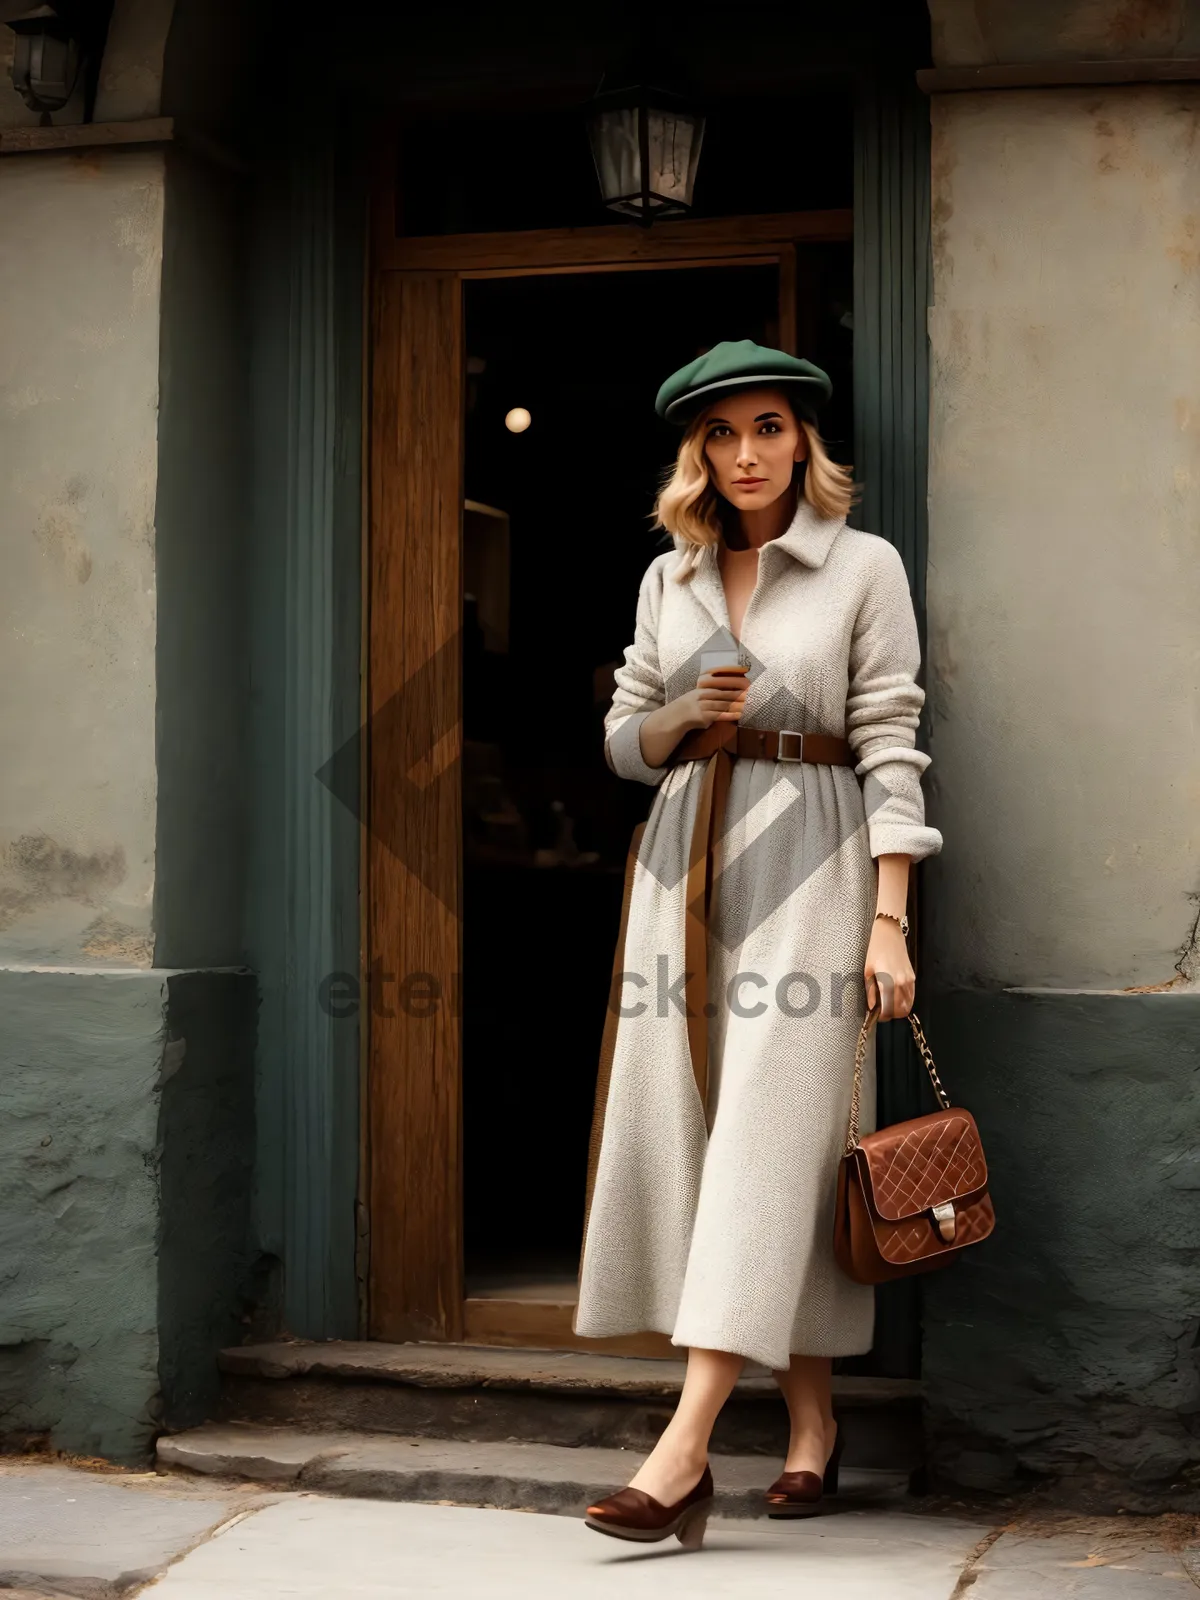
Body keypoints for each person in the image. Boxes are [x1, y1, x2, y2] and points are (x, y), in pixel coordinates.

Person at [575, 340, 943, 1547]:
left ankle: (682, 1454)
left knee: (774, 1134)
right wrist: (683, 713)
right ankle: (812, 1427)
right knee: (719, 1131)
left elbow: (892, 736)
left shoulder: (862, 566)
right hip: (685, 865)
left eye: (769, 428)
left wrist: (890, 916)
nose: (746, 455)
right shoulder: (666, 579)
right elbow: (627, 738)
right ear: (696, 452)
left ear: (804, 440)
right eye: (721, 435)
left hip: (820, 858)